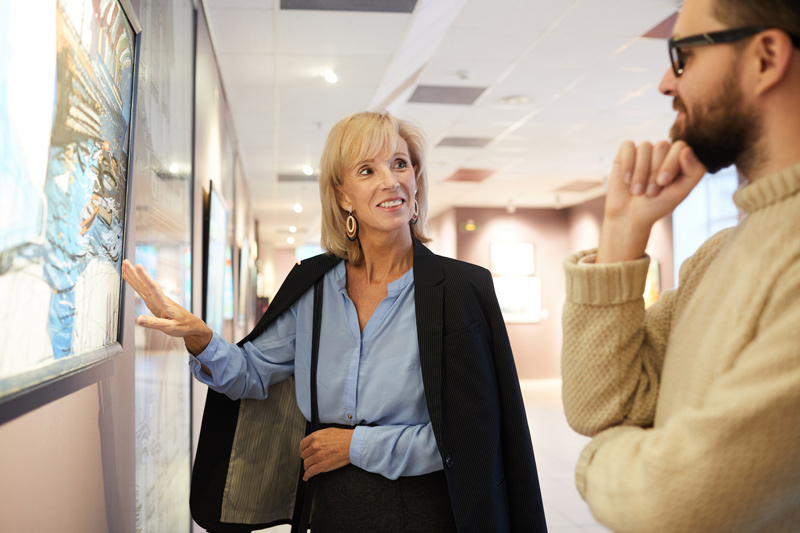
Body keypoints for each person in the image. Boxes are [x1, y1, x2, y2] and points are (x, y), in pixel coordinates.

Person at [123, 110, 547, 532]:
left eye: (400, 163)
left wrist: (355, 446)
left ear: (416, 180)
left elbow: (470, 438)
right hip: (327, 507)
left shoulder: (459, 290)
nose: (391, 180)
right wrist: (201, 338)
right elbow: (249, 375)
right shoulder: (314, 286)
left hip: (426, 511)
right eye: (367, 169)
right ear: (343, 195)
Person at [560, 0, 800, 531]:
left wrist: (596, 462)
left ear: (765, 57)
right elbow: (599, 406)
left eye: (683, 55)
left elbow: (676, 500)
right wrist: (623, 231)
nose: (667, 83)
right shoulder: (718, 255)